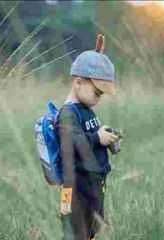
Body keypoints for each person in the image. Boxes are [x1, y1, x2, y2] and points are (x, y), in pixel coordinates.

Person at [58, 35, 119, 240]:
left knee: (92, 229)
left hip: (92, 186)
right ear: (78, 82)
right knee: (76, 233)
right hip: (76, 189)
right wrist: (97, 139)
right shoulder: (68, 113)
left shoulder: (85, 108)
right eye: (97, 93)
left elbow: (90, 132)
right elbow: (73, 142)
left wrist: (105, 135)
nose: (98, 99)